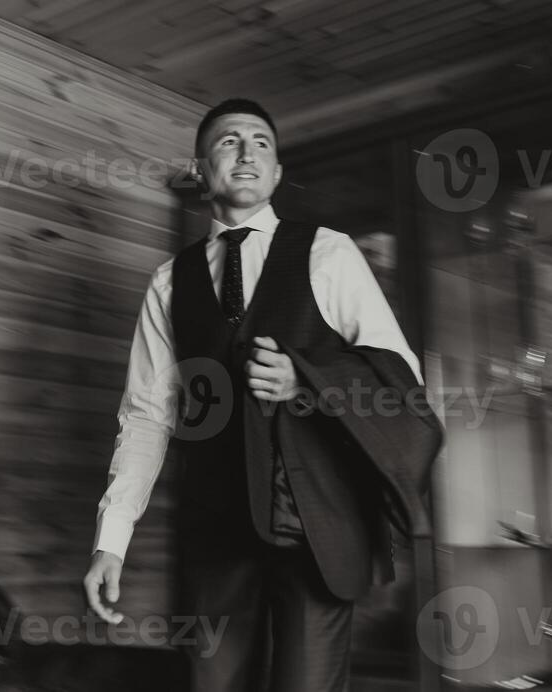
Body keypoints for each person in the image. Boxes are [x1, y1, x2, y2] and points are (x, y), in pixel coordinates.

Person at [83, 98, 440, 692]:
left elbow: (399, 378)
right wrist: (111, 543)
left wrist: (308, 381)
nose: (247, 152)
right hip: (217, 534)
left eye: (261, 143)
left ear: (275, 173)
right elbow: (146, 417)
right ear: (201, 170)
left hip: (315, 530)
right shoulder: (169, 283)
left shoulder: (330, 253)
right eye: (228, 141)